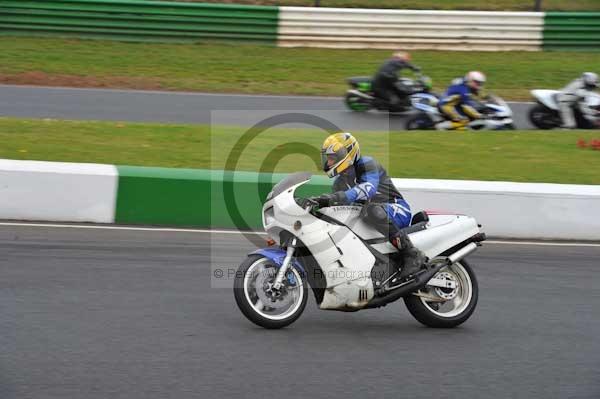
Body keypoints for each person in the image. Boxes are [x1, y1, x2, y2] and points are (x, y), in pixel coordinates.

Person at [309, 132, 427, 279]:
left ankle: (412, 254)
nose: (329, 163)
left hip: (396, 209)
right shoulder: (339, 183)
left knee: (373, 210)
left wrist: (334, 198)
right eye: (328, 159)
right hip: (370, 217)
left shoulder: (366, 164)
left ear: (346, 155)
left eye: (332, 158)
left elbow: (368, 189)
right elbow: (334, 209)